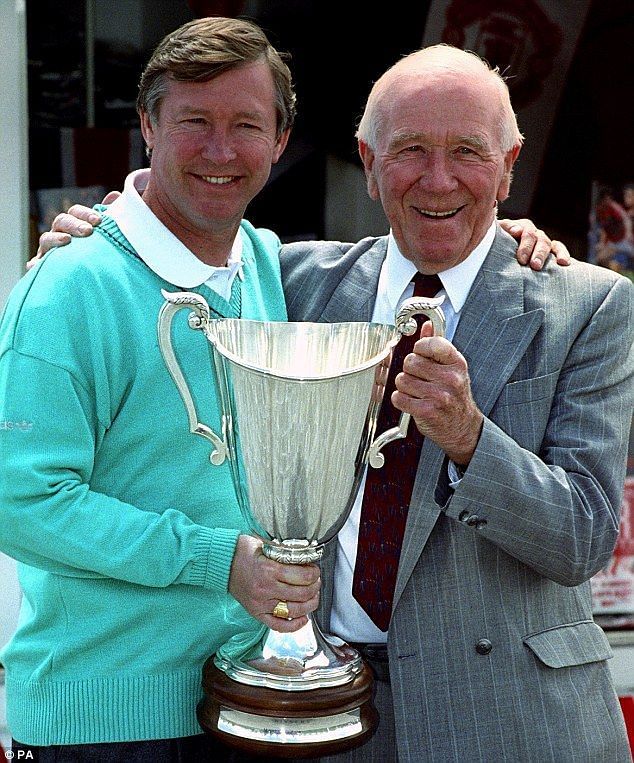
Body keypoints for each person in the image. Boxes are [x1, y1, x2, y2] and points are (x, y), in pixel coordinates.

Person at [30, 35, 592, 763]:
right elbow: (182, 228)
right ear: (366, 163)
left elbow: (582, 536)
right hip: (301, 711)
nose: (439, 179)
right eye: (411, 149)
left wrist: (468, 434)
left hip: (505, 720)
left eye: (469, 153)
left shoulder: (582, 304)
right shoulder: (298, 280)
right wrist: (96, 234)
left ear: (508, 166)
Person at [0, 17, 321, 763]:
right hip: (108, 723)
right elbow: (20, 501)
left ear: (280, 139)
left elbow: (415, 255)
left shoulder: (265, 265)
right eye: (193, 122)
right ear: (147, 125)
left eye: (246, 124)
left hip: (241, 700)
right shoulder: (68, 287)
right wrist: (218, 560)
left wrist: (518, 240)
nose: (220, 149)